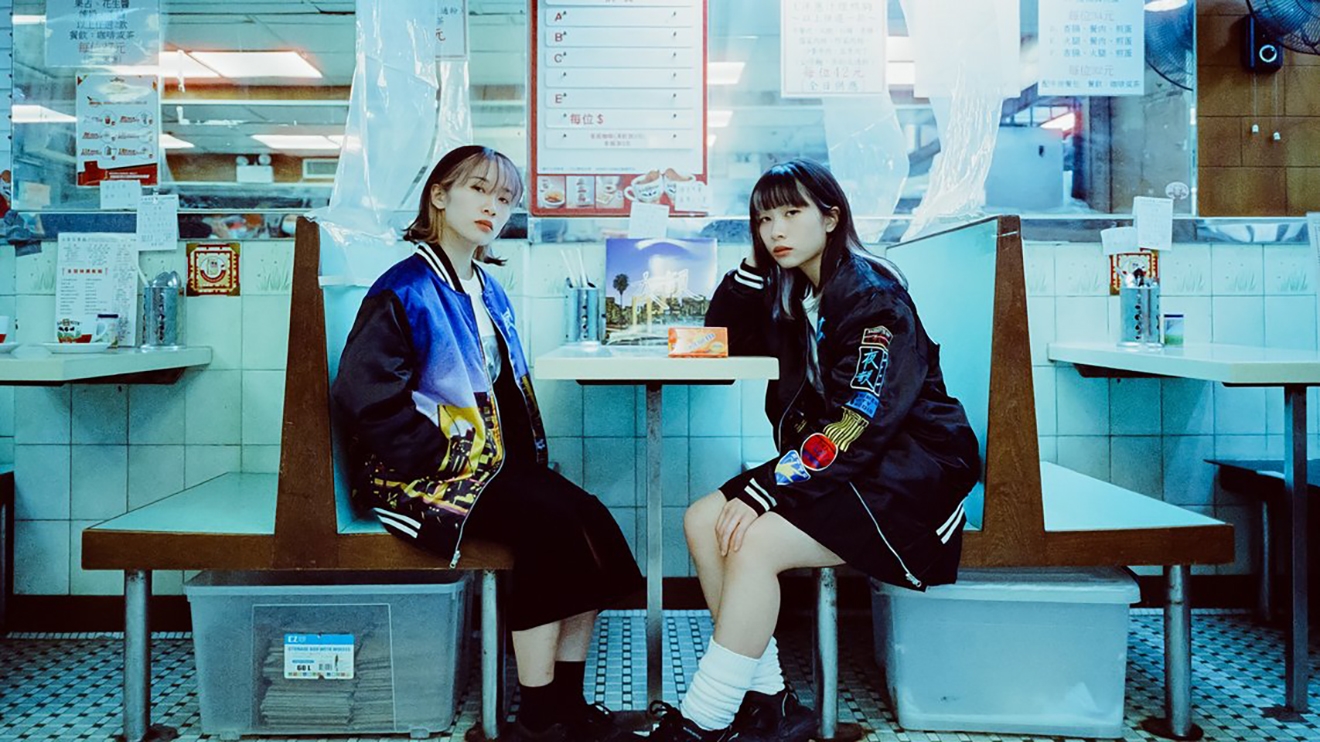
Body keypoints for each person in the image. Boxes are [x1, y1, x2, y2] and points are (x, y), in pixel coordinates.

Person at [643, 160, 981, 741]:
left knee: (753, 540)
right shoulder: (797, 292)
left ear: (831, 217)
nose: (775, 230)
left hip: (909, 472)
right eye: (763, 219)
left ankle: (702, 721)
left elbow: (860, 421)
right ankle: (769, 704)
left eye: (792, 213)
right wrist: (755, 265)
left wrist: (764, 491)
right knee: (703, 520)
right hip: (846, 462)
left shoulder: (873, 299)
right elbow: (717, 340)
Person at [331, 145, 643, 742]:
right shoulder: (404, 289)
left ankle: (567, 706)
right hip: (415, 476)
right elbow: (362, 396)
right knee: (548, 528)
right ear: (439, 196)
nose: (492, 207)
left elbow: (498, 391)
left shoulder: (484, 286)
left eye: (504, 199)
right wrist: (435, 457)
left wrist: (523, 469)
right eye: (478, 190)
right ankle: (537, 716)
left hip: (488, 465)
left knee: (591, 522)